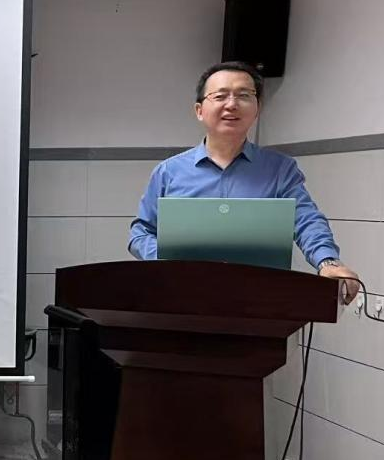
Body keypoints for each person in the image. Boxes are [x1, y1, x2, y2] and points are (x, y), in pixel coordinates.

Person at [128, 60, 360, 303]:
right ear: (199, 110)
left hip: (260, 301)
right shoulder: (168, 172)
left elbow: (306, 221)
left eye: (243, 95)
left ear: (257, 109)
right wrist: (169, 263)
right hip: (181, 297)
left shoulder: (280, 169)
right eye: (220, 96)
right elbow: (141, 233)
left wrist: (328, 262)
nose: (231, 104)